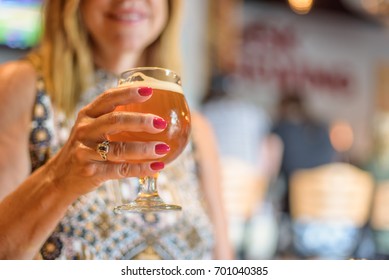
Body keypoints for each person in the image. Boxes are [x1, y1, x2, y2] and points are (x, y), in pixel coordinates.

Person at [0, 0, 233, 260]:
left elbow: (224, 263)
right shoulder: (21, 87)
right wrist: (59, 179)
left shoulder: (195, 130)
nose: (128, 1)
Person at [201, 73, 283, 259]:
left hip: (211, 203)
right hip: (247, 208)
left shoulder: (203, 114)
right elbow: (271, 150)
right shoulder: (255, 114)